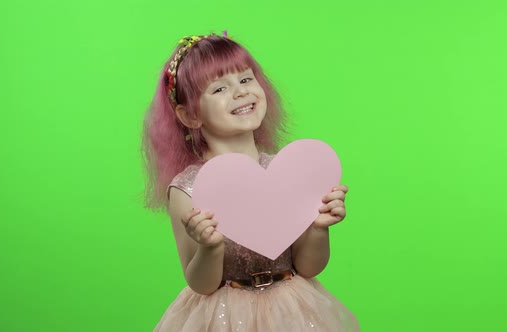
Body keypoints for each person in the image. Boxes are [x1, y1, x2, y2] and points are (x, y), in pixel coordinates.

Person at [142, 33, 360, 331]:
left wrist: (319, 228)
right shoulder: (188, 189)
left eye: (246, 80)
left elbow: (308, 267)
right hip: (223, 318)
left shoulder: (286, 173)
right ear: (190, 114)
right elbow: (200, 284)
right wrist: (209, 247)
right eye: (219, 88)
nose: (240, 92)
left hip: (291, 313)